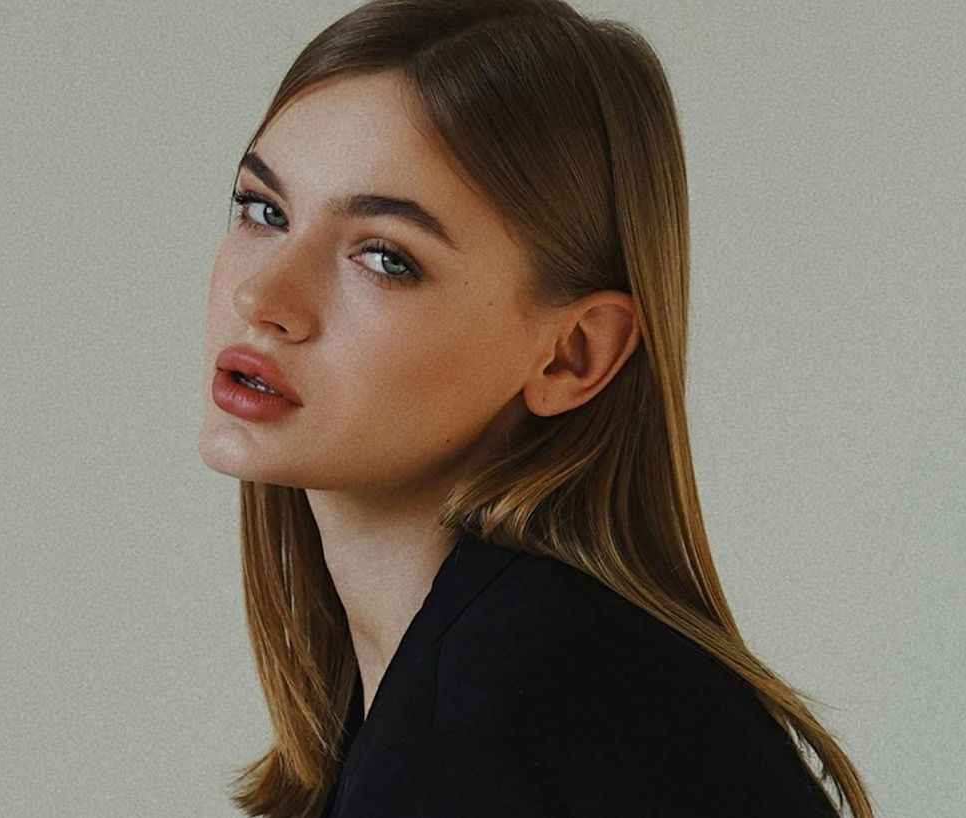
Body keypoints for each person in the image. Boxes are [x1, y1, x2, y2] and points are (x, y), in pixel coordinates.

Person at [196, 1, 874, 815]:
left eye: (385, 257)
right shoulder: (488, 682)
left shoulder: (496, 728)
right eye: (264, 211)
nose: (260, 295)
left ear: (573, 353)